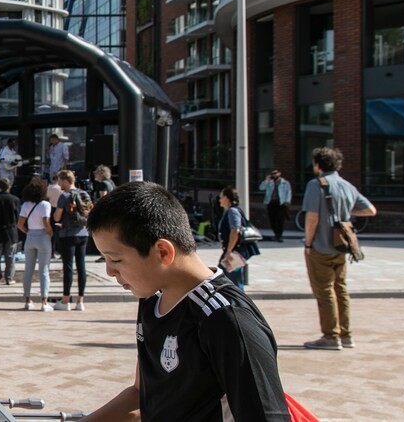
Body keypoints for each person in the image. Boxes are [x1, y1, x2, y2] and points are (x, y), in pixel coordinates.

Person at [83, 181, 291, 421]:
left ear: (163, 252)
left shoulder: (226, 318)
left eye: (115, 260)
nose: (109, 271)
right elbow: (140, 393)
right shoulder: (152, 297)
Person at [301, 147, 376, 351]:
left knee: (324, 291)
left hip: (320, 246)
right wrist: (344, 210)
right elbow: (370, 210)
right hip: (341, 247)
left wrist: (308, 244)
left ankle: (330, 336)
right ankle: (346, 335)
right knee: (341, 290)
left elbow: (312, 217)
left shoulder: (316, 185)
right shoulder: (347, 186)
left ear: (318, 165)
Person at [16, 176, 54, 311]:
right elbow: (46, 222)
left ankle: (27, 300)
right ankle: (44, 302)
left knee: (28, 270)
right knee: (44, 270)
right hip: (42, 236)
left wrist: (28, 232)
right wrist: (50, 233)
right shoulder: (45, 205)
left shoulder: (26, 205)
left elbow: (20, 224)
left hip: (30, 236)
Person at [52, 170, 87, 311]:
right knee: (81, 266)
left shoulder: (64, 196)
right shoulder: (84, 194)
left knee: (68, 267)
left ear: (65, 181)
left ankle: (66, 300)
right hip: (83, 233)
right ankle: (80, 301)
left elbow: (56, 217)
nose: (59, 184)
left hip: (68, 234)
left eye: (60, 181)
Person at [218, 186, 259, 292]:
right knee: (224, 278)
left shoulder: (232, 211)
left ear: (226, 198)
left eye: (221, 197)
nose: (219, 200)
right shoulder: (230, 211)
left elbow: (235, 230)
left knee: (233, 281)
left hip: (235, 252)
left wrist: (229, 251)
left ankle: (240, 305)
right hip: (233, 251)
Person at [260, 170, 292, 242]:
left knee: (280, 220)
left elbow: (289, 192)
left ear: (279, 174)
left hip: (281, 203)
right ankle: (276, 234)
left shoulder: (285, 183)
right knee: (272, 220)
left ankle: (279, 235)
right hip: (271, 203)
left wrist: (287, 201)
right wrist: (266, 180)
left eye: (275, 173)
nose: (274, 175)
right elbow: (261, 188)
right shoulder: (269, 183)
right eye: (272, 174)